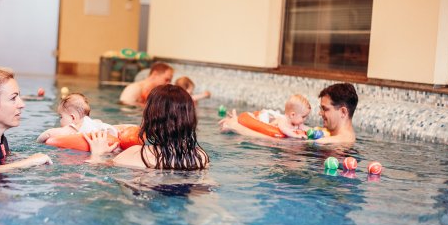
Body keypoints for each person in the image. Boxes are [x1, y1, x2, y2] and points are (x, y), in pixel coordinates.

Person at [87, 84, 209, 170]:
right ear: (190, 119)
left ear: (150, 117)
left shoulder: (135, 155)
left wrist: (97, 154)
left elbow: (97, 170)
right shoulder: (200, 158)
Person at [219, 83, 358, 144]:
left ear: (343, 112)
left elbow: (278, 141)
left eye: (325, 109)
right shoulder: (330, 134)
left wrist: (236, 127)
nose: (320, 113)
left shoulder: (331, 142)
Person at [36, 93, 117, 143]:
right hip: (111, 137)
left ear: (73, 118)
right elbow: (100, 123)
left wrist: (37, 142)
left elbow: (48, 133)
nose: (60, 120)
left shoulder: (72, 128)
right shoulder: (93, 122)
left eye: (61, 116)